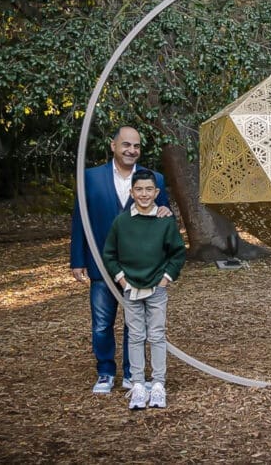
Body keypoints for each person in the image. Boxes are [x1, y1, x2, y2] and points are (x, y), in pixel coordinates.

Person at [70, 126, 172, 394]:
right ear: (113, 145)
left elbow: (165, 216)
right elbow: (80, 219)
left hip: (139, 268)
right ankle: (105, 371)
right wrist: (77, 259)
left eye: (136, 146)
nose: (131, 150)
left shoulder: (154, 179)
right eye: (126, 144)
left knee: (134, 322)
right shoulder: (90, 178)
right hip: (102, 266)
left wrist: (165, 212)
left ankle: (131, 373)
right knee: (102, 322)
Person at [102, 169, 186, 410]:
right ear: (132, 192)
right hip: (131, 288)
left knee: (157, 335)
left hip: (156, 288)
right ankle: (138, 384)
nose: (144, 194)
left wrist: (165, 279)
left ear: (156, 192)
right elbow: (109, 254)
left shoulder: (164, 221)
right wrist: (122, 281)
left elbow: (178, 253)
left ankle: (158, 384)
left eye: (149, 189)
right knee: (136, 336)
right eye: (139, 189)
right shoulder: (122, 221)